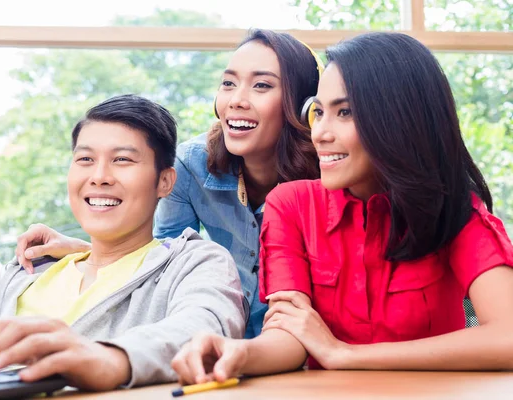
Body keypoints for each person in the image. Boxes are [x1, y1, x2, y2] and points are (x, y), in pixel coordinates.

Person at [171, 32, 513, 384]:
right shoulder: (290, 204)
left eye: (345, 112)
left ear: (400, 119)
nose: (320, 133)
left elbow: (507, 336)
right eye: (319, 112)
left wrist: (345, 355)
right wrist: (239, 352)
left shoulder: (454, 210)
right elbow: (290, 334)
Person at [0, 95, 245, 390]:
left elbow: (204, 329)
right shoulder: (26, 271)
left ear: (164, 181)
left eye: (122, 160)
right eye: (85, 159)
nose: (99, 176)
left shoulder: (195, 263)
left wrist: (109, 358)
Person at [13, 29, 324, 339]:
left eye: (261, 85)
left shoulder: (329, 176)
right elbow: (163, 265)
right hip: (220, 348)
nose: (236, 100)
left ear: (305, 106)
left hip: (307, 349)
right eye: (228, 83)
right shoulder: (190, 164)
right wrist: (87, 251)